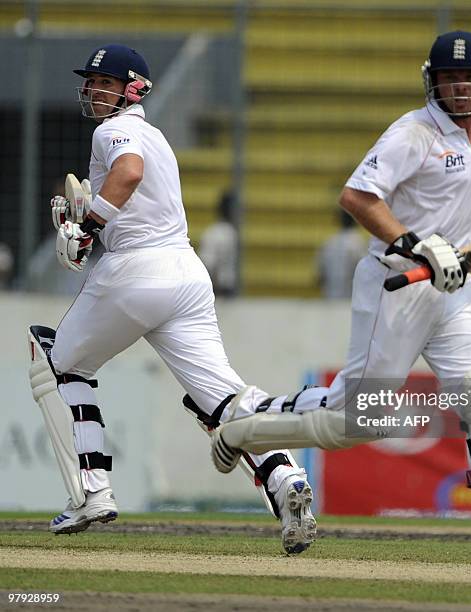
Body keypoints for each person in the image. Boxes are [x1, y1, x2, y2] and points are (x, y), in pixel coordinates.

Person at [208, 31, 471, 580]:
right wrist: (418, 244)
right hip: (397, 287)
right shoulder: (413, 132)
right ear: (433, 80)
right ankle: (242, 428)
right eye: (450, 77)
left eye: (470, 77)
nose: (461, 86)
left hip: (457, 289)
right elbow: (357, 197)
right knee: (357, 420)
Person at [27, 43, 316, 554]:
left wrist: (88, 227)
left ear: (132, 88)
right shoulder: (156, 135)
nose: (95, 91)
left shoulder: (112, 131)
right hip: (186, 274)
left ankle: (91, 492)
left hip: (135, 271)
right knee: (222, 397)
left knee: (56, 363)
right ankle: (285, 478)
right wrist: (87, 221)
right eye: (91, 83)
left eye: (106, 83)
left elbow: (128, 173)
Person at [317, 209, 367, 299]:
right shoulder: (359, 244)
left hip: (329, 299)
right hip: (351, 300)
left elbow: (319, 277)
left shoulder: (329, 243)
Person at [198, 190, 238, 297]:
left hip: (228, 288)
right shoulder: (214, 233)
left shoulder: (230, 232)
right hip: (219, 290)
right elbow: (208, 264)